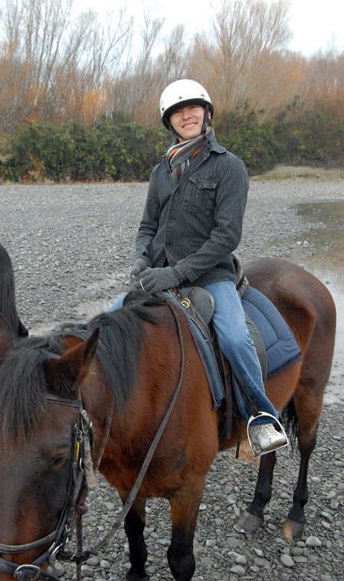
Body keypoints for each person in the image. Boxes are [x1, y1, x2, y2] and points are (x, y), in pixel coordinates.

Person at [130, 79, 288, 456]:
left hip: (211, 274)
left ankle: (261, 418)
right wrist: (140, 257)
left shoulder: (228, 167)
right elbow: (147, 227)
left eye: (193, 108)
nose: (187, 115)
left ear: (207, 113)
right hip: (158, 273)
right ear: (170, 122)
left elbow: (226, 236)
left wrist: (176, 273)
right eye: (178, 112)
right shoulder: (160, 173)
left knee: (234, 338)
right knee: (113, 323)